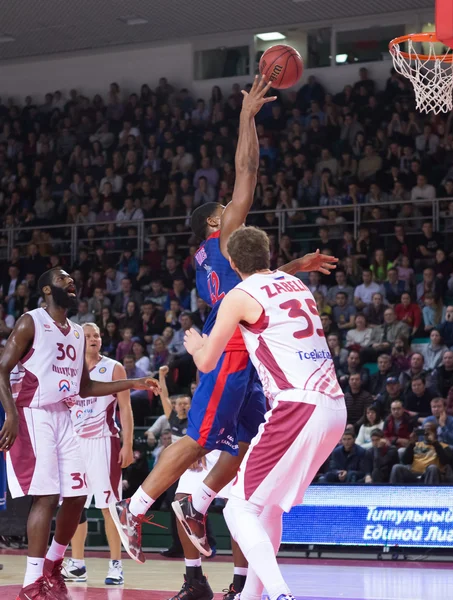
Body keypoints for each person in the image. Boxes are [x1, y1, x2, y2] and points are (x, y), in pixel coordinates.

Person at [109, 78, 336, 599]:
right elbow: (247, 172)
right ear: (217, 222)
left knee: (244, 437)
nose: (233, 209)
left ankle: (199, 506)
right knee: (203, 437)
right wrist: (247, 117)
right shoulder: (223, 232)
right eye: (225, 209)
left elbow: (255, 280)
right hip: (233, 344)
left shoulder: (215, 262)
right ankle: (138, 505)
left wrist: (293, 266)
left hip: (245, 341)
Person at [179, 226, 346, 600]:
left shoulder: (238, 295)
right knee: (267, 506)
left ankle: (281, 594)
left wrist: (195, 345)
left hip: (297, 405)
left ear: (233, 263)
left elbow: (208, 362)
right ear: (268, 254)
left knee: (237, 508)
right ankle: (250, 596)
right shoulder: (296, 285)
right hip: (334, 407)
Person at [0, 267, 158, 600]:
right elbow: (2, 367)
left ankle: (53, 566)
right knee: (45, 495)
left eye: (73, 279)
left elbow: (84, 387)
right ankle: (31, 584)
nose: (72, 282)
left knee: (76, 494)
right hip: (33, 412)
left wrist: (131, 383)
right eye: (63, 279)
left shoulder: (75, 332)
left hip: (64, 415)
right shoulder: (31, 321)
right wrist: (11, 414)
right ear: (46, 290)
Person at [61, 323, 134, 587]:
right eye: (88, 336)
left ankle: (116, 565)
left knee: (109, 507)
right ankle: (77, 564)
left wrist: (127, 444)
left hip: (104, 442)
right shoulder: (68, 370)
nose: (93, 339)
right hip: (73, 444)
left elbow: (125, 409)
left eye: (97, 336)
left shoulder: (113, 367)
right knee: (73, 504)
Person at [389, 422, 453, 484]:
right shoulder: (416, 444)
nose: (426, 432)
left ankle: (430, 494)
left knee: (432, 468)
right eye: (424, 430)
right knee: (396, 467)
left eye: (429, 431)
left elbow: (446, 461)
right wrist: (411, 444)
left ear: (435, 432)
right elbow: (405, 461)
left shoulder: (443, 446)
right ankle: (394, 493)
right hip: (414, 474)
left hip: (431, 474)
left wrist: (435, 443)